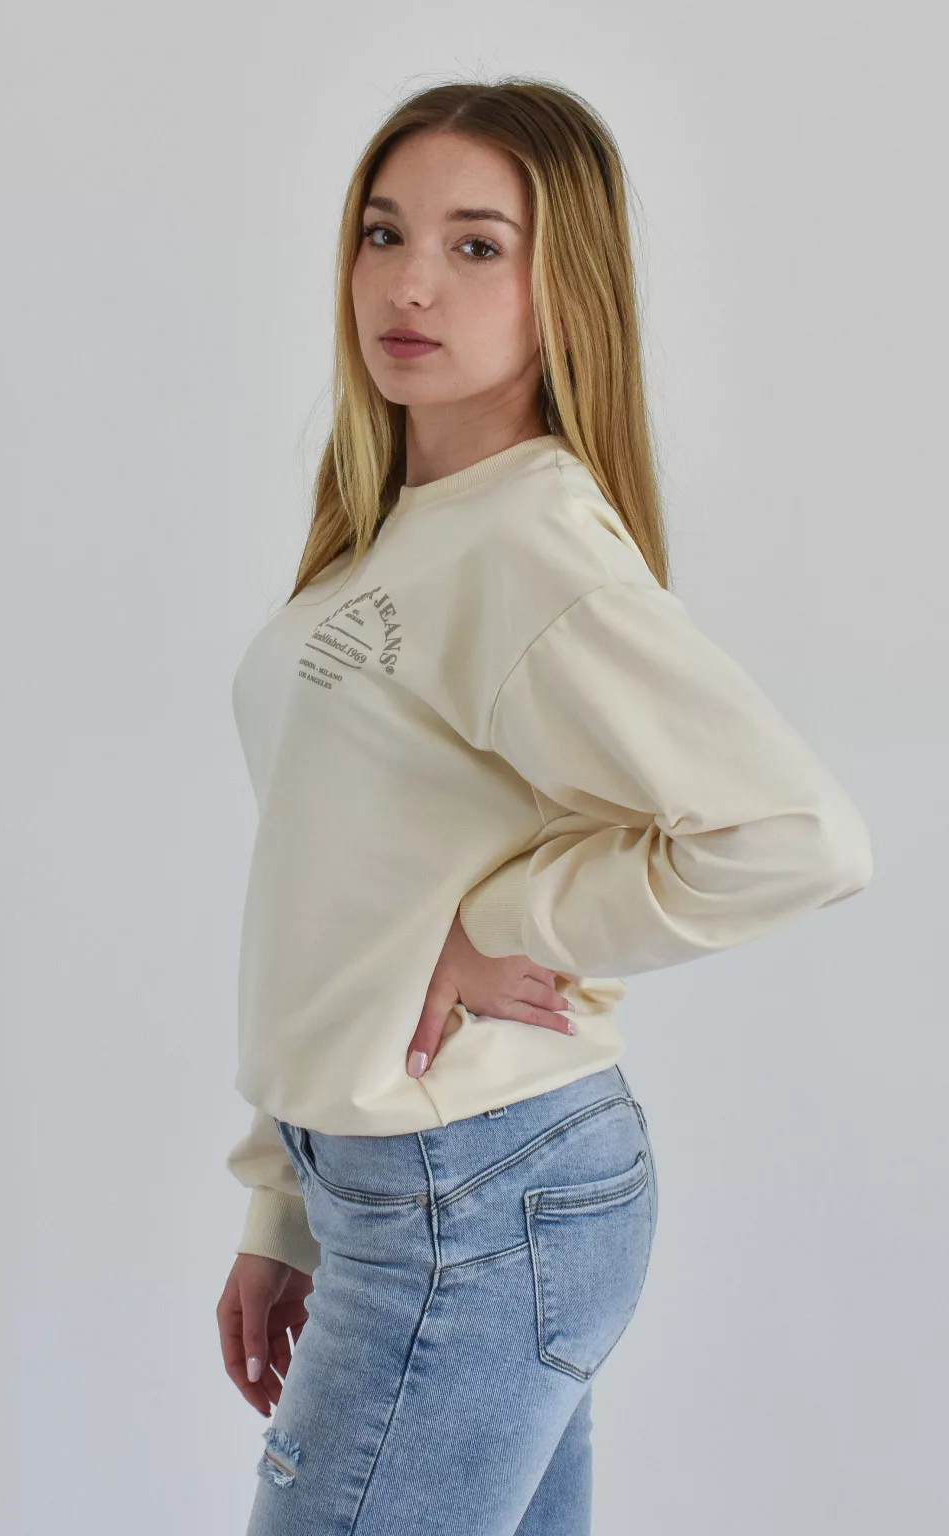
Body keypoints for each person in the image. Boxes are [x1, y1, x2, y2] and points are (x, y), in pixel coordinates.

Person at [215, 77, 873, 1536]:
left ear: (562, 285)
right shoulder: (392, 537)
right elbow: (332, 879)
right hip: (415, 1183)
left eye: (475, 245)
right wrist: (284, 1202)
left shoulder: (529, 539)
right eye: (384, 233)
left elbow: (795, 837)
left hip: (474, 1191)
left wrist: (505, 923)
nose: (410, 283)